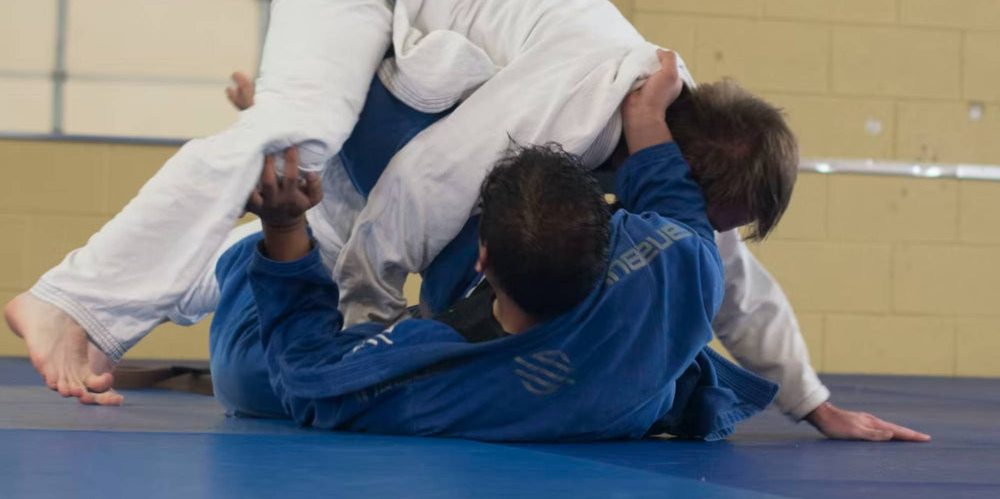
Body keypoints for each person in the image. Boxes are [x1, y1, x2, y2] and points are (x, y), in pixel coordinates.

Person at [5, 0, 928, 441]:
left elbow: (731, 276)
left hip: (414, 73)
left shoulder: (669, 157)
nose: (704, 225)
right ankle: (70, 300)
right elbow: (420, 183)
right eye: (711, 208)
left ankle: (267, 214)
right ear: (683, 165)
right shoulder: (581, 96)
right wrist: (365, 329)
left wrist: (814, 402)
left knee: (315, 208)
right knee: (301, 135)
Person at [208, 60, 777, 440]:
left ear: (482, 259)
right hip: (571, 373)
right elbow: (675, 202)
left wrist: (283, 230)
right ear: (609, 238)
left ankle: (272, 223)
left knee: (252, 379)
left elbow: (304, 375)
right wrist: (649, 119)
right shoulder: (681, 267)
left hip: (257, 312)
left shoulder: (433, 378)